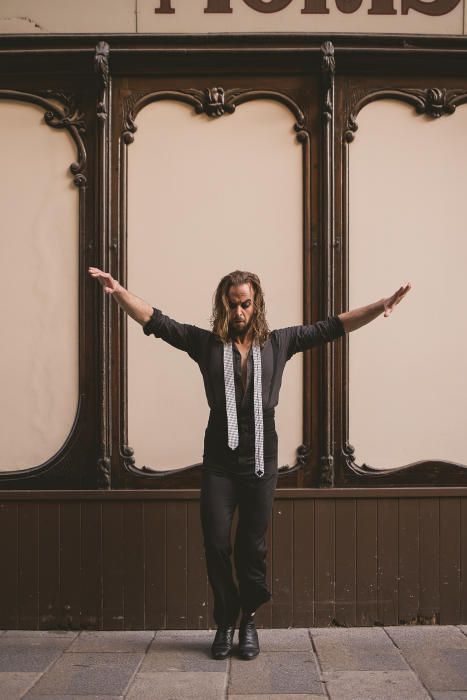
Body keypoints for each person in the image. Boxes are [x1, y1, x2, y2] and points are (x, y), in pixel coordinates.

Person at [88, 266, 411, 660]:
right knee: (215, 541)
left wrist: (381, 305)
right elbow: (157, 321)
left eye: (245, 304)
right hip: (220, 459)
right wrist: (119, 291)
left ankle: (249, 621)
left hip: (261, 456)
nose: (239, 311)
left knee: (251, 548)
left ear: (255, 305)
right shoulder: (204, 344)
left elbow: (333, 326)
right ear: (223, 305)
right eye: (232, 304)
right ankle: (225, 621)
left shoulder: (280, 342)